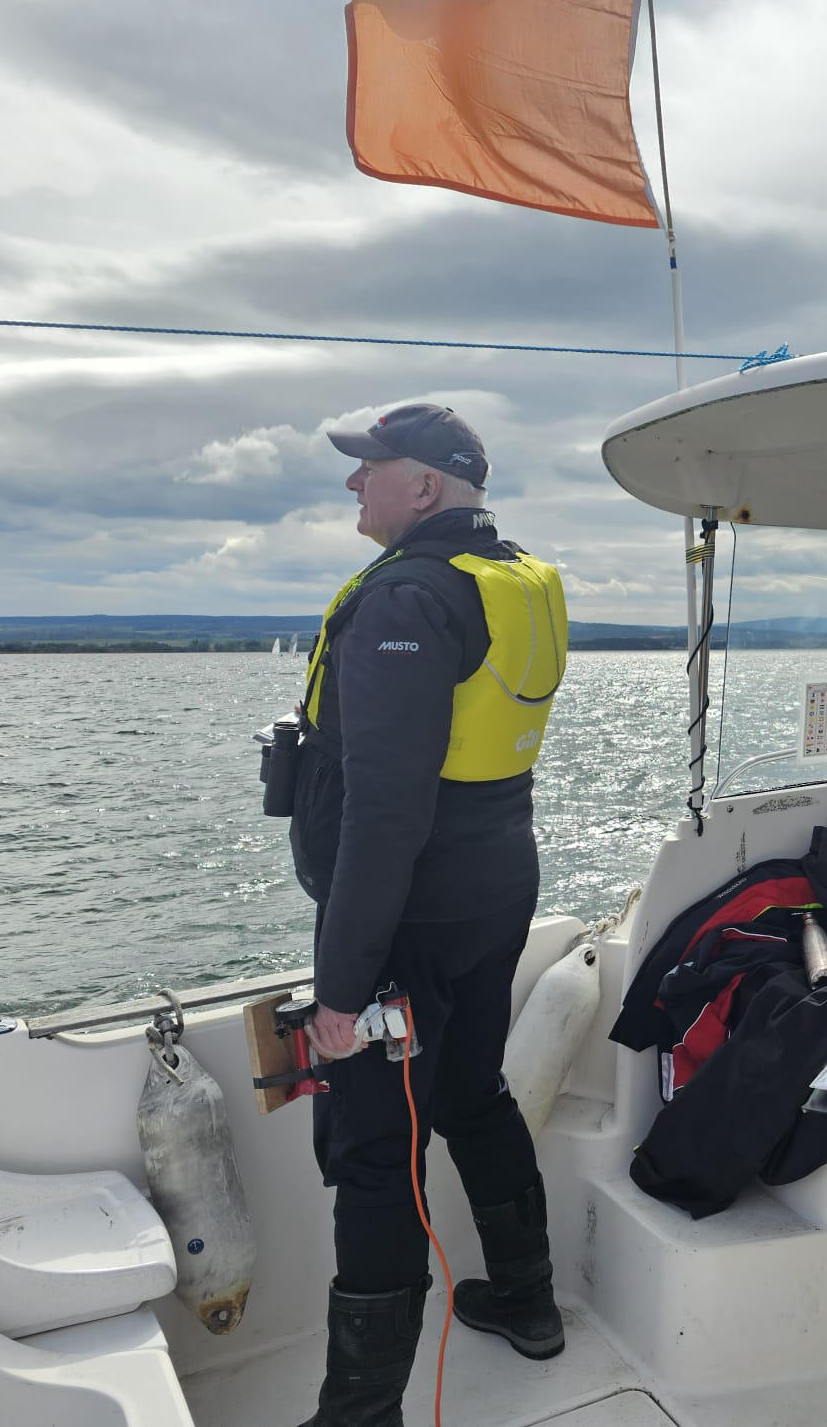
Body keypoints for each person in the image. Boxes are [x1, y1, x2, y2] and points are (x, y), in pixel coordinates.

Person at [288, 403, 570, 1427]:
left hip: (406, 916)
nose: (352, 484)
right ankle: (527, 1300)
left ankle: (361, 1413)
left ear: (424, 485)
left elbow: (385, 814)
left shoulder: (406, 596)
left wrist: (340, 989)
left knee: (376, 1152)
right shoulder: (518, 577)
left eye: (369, 467)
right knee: (470, 1091)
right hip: (493, 888)